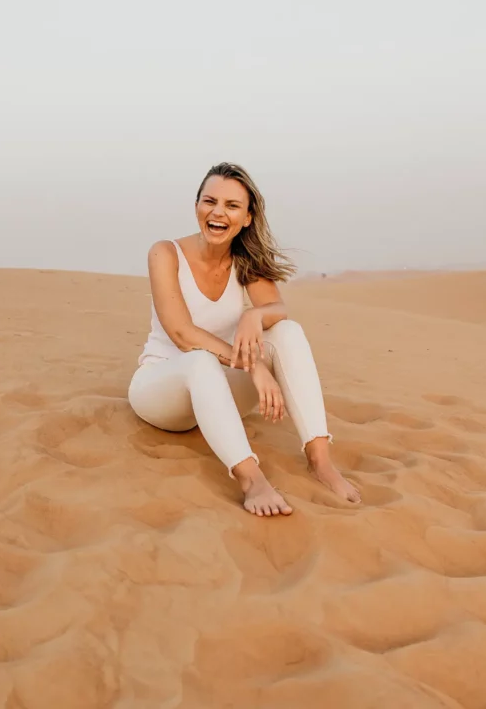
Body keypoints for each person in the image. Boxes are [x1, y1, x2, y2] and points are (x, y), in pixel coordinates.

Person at [128, 162, 361, 517]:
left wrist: (254, 315)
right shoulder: (165, 253)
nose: (218, 212)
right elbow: (181, 333)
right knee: (200, 359)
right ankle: (252, 480)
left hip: (218, 395)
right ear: (196, 208)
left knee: (288, 332)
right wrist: (253, 366)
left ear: (247, 218)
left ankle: (320, 459)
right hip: (163, 392)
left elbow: (276, 308)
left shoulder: (243, 261)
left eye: (232, 205)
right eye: (210, 201)